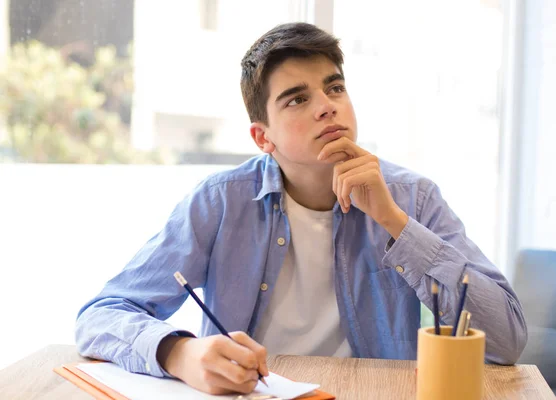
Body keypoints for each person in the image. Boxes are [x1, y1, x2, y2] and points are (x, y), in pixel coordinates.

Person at [75, 22, 527, 395]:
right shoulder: (220, 201)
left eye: (334, 88)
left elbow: (507, 340)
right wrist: (179, 353)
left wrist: (395, 222)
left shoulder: (412, 198)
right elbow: (100, 316)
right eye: (297, 98)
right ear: (262, 137)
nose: (327, 108)